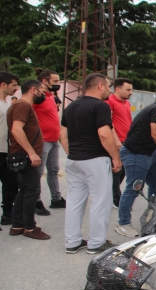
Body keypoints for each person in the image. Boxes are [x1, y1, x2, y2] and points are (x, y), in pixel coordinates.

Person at [60, 73, 122, 254]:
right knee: (101, 201)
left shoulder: (70, 107)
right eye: (108, 86)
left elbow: (62, 135)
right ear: (100, 86)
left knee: (74, 201)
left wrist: (72, 153)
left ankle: (72, 242)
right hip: (95, 159)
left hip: (74, 161)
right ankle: (96, 243)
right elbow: (104, 134)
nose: (110, 89)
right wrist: (115, 158)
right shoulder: (100, 106)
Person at [115, 87, 156, 237]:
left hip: (147, 154)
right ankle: (123, 223)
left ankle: (151, 218)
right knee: (134, 187)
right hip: (136, 153)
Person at [6, 80, 49, 239]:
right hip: (25, 155)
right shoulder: (23, 106)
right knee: (32, 190)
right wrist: (31, 153)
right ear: (33, 90)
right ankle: (30, 228)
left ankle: (17, 225)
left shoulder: (19, 106)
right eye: (42, 91)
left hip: (22, 153)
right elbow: (17, 130)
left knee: (24, 190)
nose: (43, 94)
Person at [32, 68, 66, 216]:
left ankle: (56, 198)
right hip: (42, 140)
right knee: (38, 172)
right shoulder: (36, 98)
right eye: (55, 81)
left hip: (53, 139)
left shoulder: (51, 96)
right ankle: (35, 200)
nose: (58, 84)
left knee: (53, 170)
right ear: (44, 81)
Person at [106, 78, 133, 208]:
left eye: (131, 89)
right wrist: (116, 140)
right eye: (128, 89)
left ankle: (113, 195)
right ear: (117, 89)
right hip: (117, 141)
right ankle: (116, 198)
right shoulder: (110, 102)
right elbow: (109, 123)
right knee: (116, 170)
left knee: (123, 170)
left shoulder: (126, 103)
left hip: (126, 140)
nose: (131, 92)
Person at [0, 72, 20, 226]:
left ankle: (7, 213)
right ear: (3, 85)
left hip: (7, 150)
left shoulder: (8, 104)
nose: (16, 88)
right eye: (13, 85)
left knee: (10, 183)